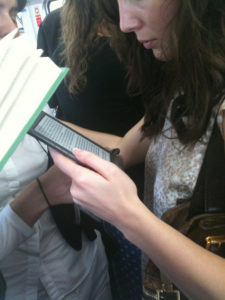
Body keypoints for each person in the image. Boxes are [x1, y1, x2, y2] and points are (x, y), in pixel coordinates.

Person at [50, 0, 225, 299]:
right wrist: (40, 124)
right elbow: (122, 148)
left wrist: (127, 215)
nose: (124, 24)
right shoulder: (185, 90)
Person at [0, 1, 112, 299]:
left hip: (81, 256)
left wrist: (118, 149)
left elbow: (47, 127)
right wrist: (38, 196)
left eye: (12, 13)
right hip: (22, 283)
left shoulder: (13, 81)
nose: (12, 28)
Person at [37, 2, 145, 300]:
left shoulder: (136, 21)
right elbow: (56, 107)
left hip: (130, 181)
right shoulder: (53, 26)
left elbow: (155, 123)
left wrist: (50, 130)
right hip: (85, 182)